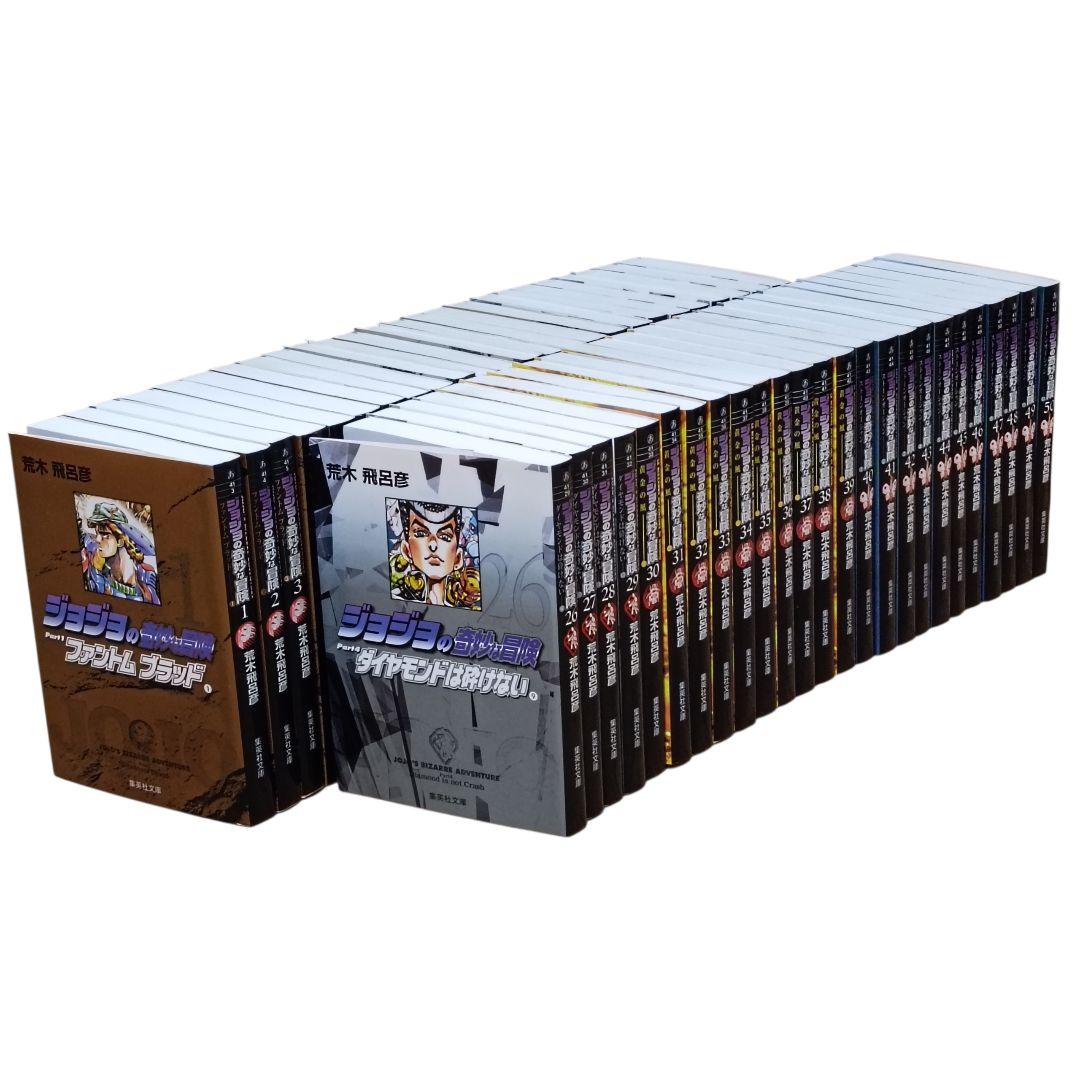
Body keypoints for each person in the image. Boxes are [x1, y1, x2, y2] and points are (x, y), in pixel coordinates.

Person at [389, 500, 480, 610]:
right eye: (421, 533)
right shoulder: (393, 601)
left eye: (445, 537)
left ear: (458, 558)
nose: (433, 545)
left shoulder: (466, 611)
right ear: (406, 550)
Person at [80, 501, 160, 604]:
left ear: (120, 541)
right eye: (97, 533)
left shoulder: (147, 576)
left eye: (104, 534)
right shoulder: (96, 571)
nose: (98, 539)